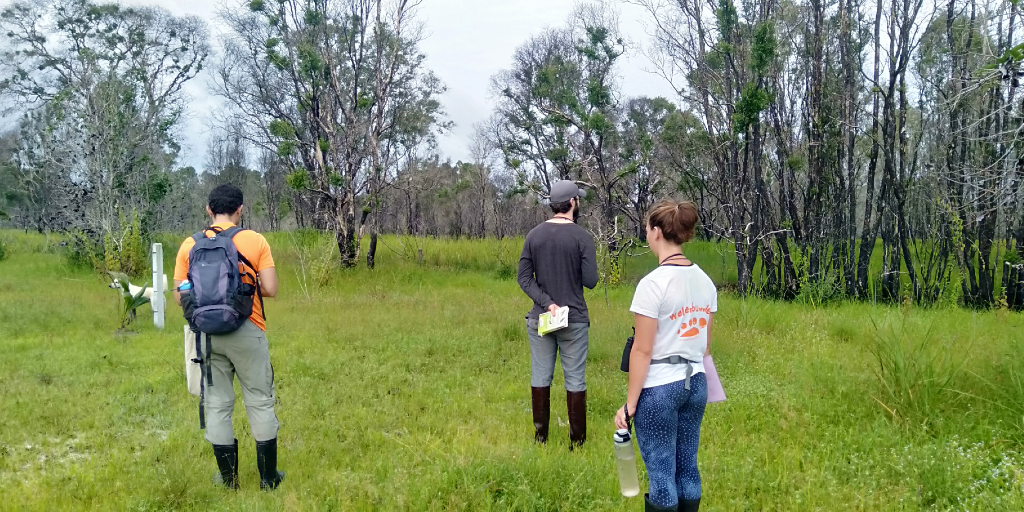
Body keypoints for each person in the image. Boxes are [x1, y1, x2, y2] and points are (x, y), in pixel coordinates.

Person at [173, 184, 284, 490]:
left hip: (206, 334)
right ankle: (268, 479)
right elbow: (271, 289)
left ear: (209, 210)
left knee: (218, 405)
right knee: (260, 401)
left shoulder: (189, 245)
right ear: (240, 209)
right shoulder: (255, 241)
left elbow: (179, 294)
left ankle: (228, 481)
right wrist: (240, 290)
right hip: (248, 328)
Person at [614, 200, 717, 512]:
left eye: (647, 228)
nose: (647, 234)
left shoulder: (652, 284)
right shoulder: (705, 281)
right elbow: (705, 347)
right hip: (696, 384)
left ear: (657, 232)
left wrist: (630, 405)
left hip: (660, 388)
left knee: (661, 475)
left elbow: (643, 350)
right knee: (687, 467)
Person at [518, 180, 598, 449]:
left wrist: (547, 303)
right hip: (574, 319)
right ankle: (578, 443)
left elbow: (524, 278)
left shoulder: (534, 235)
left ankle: (541, 439)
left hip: (540, 317)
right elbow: (590, 281)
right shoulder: (582, 237)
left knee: (540, 376)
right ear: (573, 202)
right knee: (575, 378)